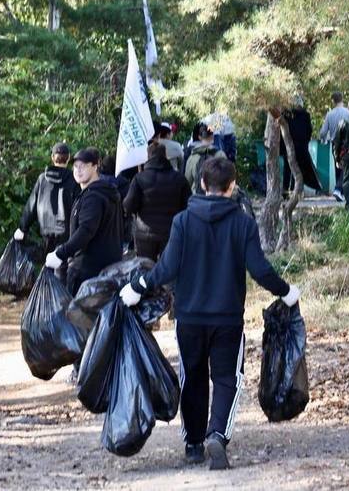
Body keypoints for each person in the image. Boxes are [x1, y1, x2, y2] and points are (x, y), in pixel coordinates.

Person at [119, 156, 300, 470]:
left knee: (193, 377)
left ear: (202, 185)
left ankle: (193, 444)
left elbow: (167, 268)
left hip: (188, 317)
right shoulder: (243, 223)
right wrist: (286, 292)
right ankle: (217, 434)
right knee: (228, 379)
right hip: (228, 319)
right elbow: (259, 269)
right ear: (231, 187)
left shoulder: (183, 221)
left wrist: (138, 286)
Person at [44, 147, 123, 297]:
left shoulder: (93, 197)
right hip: (108, 268)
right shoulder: (105, 192)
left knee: (80, 319)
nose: (78, 170)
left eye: (84, 166)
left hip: (88, 273)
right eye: (75, 166)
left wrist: (61, 253)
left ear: (95, 166)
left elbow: (86, 231)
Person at [15, 142, 80, 282]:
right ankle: (59, 298)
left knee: (49, 264)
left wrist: (22, 227)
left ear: (52, 158)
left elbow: (31, 205)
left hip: (46, 231)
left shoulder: (42, 179)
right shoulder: (74, 180)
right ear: (68, 158)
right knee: (62, 267)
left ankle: (48, 297)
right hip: (66, 232)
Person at [123, 142, 191, 261]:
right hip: (171, 232)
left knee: (145, 269)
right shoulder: (179, 178)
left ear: (148, 156)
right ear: (165, 155)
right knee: (169, 269)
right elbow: (188, 205)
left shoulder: (139, 178)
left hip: (144, 233)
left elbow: (129, 206)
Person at [280, 96, 322, 194]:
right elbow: (309, 131)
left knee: (288, 168)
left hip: (289, 145)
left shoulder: (287, 115)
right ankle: (296, 190)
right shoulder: (305, 115)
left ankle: (285, 190)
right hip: (301, 147)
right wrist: (305, 142)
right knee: (298, 169)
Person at [319, 92, 349, 201]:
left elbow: (323, 132)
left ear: (333, 101)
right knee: (346, 167)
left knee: (338, 167)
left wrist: (324, 139)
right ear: (342, 99)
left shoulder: (330, 114)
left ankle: (339, 192)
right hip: (347, 143)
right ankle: (339, 190)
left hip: (335, 144)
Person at [185, 124, 226, 194]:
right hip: (218, 197)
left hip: (197, 198)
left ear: (199, 137)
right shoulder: (221, 155)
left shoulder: (192, 157)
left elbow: (187, 181)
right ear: (213, 137)